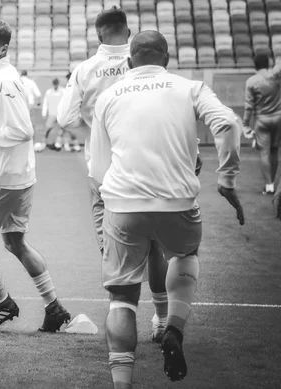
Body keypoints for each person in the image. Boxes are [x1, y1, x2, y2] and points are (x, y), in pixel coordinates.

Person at [89, 30, 243, 387]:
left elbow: (97, 169)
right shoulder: (190, 87)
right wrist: (228, 178)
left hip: (123, 204)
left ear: (129, 62)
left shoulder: (109, 95)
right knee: (185, 254)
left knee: (122, 299)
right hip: (177, 202)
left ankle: (122, 384)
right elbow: (229, 123)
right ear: (168, 60)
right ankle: (173, 327)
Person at [57, 6, 171, 342]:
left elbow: (64, 119)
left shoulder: (86, 69)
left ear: (98, 34)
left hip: (105, 171)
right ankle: (162, 318)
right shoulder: (149, 64)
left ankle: (121, 318)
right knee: (154, 246)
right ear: (128, 30)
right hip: (150, 165)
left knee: (114, 248)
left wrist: (93, 131)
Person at [0, 17, 71, 333]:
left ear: (2, 48)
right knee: (16, 243)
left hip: (2, 181)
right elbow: (10, 133)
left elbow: (22, 131)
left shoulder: (3, 81)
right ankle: (55, 308)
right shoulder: (2, 77)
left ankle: (2, 303)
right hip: (19, 176)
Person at [242, 53, 281, 194]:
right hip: (278, 118)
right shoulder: (275, 76)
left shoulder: (252, 81)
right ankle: (272, 182)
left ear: (255, 65)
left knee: (264, 152)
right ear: (268, 63)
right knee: (274, 151)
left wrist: (246, 124)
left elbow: (249, 107)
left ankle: (269, 185)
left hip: (262, 120)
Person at [35, 78, 82, 153]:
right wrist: (44, 113)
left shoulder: (63, 91)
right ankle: (43, 143)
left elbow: (67, 101)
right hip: (52, 114)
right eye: (54, 84)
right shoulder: (49, 92)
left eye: (56, 83)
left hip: (61, 114)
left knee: (66, 130)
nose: (55, 85)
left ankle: (66, 144)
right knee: (47, 129)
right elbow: (45, 102)